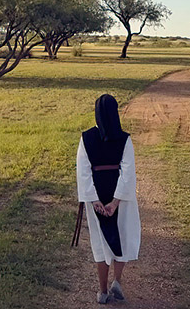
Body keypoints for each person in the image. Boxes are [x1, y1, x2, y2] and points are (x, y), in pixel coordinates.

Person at [76, 93, 141, 304]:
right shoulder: (124, 139)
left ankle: (103, 291)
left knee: (101, 242)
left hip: (97, 196)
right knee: (122, 235)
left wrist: (94, 200)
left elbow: (83, 171)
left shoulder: (86, 138)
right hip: (119, 198)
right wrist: (116, 201)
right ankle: (117, 281)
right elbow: (128, 172)